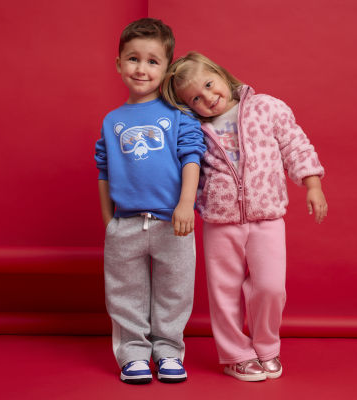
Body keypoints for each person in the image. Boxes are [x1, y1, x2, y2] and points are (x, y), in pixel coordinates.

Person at [161, 52, 328, 381]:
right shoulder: (194, 128)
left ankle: (267, 346)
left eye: (209, 85)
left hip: (267, 216)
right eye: (195, 98)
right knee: (223, 293)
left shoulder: (266, 107)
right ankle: (236, 355)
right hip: (220, 222)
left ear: (221, 74)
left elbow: (295, 145)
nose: (208, 97)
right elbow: (183, 169)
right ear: (188, 105)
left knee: (270, 287)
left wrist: (312, 184)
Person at [94, 21, 205, 384]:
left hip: (173, 222)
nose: (141, 68)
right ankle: (133, 354)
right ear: (119, 64)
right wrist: (109, 220)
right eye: (133, 59)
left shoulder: (178, 115)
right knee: (124, 294)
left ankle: (169, 350)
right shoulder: (112, 121)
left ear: (167, 67)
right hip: (126, 224)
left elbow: (192, 157)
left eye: (152, 61)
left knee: (176, 290)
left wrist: (185, 203)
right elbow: (103, 169)